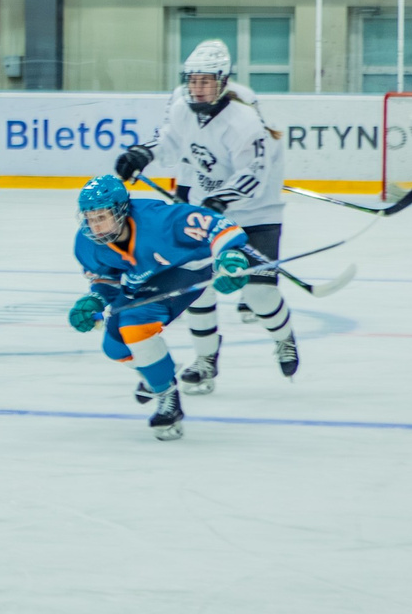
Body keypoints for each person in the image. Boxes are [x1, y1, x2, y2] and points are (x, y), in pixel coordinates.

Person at [113, 38, 297, 383]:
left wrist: (222, 199)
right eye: (193, 80)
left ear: (223, 82)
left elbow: (254, 173)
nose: (197, 88)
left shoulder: (243, 121)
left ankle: (284, 339)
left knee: (258, 292)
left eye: (206, 81)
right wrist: (142, 153)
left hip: (255, 214)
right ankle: (205, 359)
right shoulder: (182, 109)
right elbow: (168, 140)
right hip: (204, 212)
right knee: (197, 288)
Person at [69, 173, 253, 440]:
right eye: (90, 218)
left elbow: (219, 224)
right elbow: (106, 280)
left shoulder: (159, 220)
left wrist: (231, 256)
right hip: (144, 281)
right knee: (114, 347)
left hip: (185, 268)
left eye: (101, 217)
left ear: (121, 211)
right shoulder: (87, 244)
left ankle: (167, 397)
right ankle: (156, 370)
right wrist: (94, 300)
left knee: (135, 325)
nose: (95, 226)